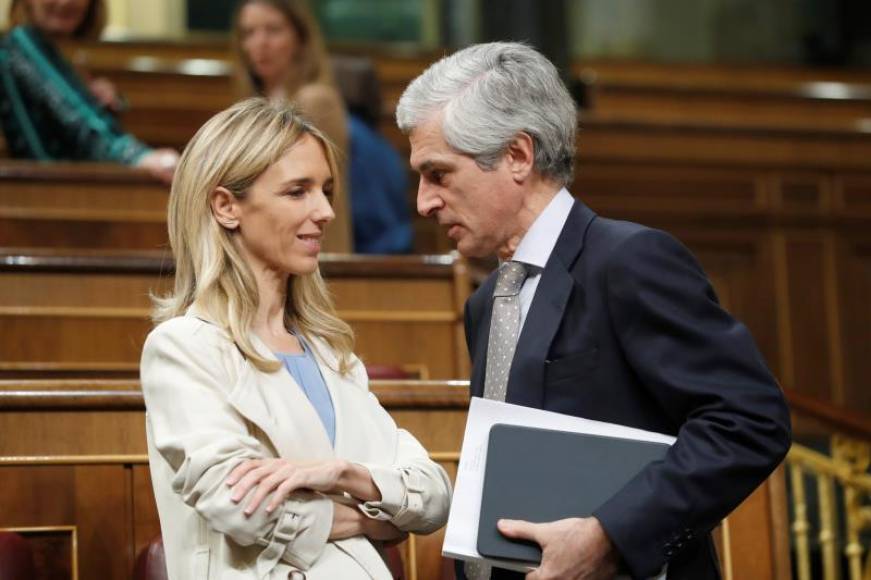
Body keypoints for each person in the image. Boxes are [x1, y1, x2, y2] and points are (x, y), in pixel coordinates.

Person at [396, 42, 791, 580]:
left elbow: (749, 420)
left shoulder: (630, 261)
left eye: (438, 174)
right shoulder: (487, 301)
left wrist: (609, 536)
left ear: (517, 156)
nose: (423, 202)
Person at [141, 98, 451, 579]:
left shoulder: (332, 355)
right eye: (297, 192)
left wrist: (343, 475)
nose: (325, 211)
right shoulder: (183, 347)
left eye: (325, 190)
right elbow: (241, 508)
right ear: (226, 206)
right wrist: (375, 520)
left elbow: (433, 495)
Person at [233, 0, 413, 254]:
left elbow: (325, 198)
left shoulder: (315, 101)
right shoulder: (254, 104)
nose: (260, 43)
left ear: (301, 39)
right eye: (248, 33)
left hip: (314, 253)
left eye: (273, 30)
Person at [0, 0, 178, 183]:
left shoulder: (62, 53)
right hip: (48, 193)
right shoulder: (21, 41)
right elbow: (74, 116)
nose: (65, 2)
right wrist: (136, 156)